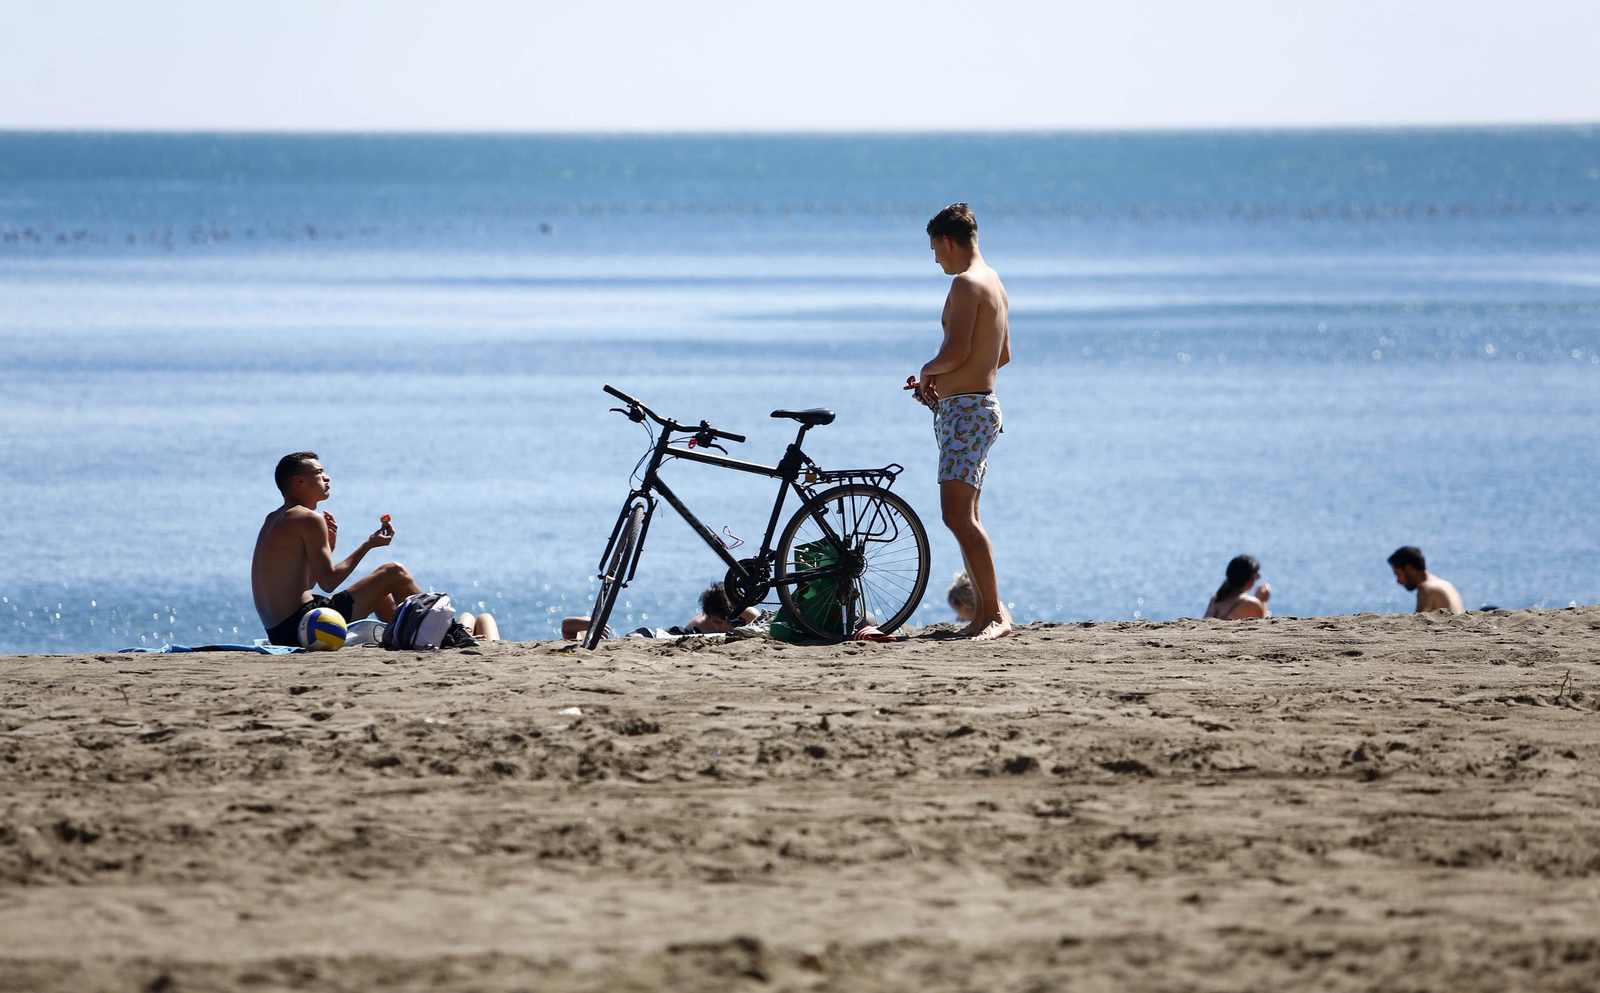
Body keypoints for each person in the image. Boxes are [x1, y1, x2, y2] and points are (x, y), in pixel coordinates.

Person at [251, 452, 499, 647]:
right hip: (306, 624)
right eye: (319, 472)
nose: (327, 478)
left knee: (380, 593)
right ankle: (449, 630)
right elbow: (328, 583)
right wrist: (368, 545)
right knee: (393, 571)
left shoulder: (275, 518)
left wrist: (331, 545)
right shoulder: (308, 518)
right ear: (299, 481)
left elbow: (306, 583)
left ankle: (411, 633)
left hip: (280, 632)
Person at [905, 203, 1012, 641]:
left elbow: (956, 352)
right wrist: (945, 384)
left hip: (968, 412)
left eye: (935, 249)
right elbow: (1000, 355)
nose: (935, 260)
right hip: (970, 407)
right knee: (966, 515)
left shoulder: (967, 284)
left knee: (957, 516)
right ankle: (987, 613)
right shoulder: (995, 282)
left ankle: (994, 617)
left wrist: (932, 370)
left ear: (948, 241)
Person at [562, 581, 760, 641]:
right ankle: (587, 623)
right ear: (708, 616)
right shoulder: (700, 623)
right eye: (718, 623)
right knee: (589, 639)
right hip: (649, 636)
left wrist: (737, 604)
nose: (725, 627)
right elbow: (566, 626)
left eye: (729, 621)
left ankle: (587, 624)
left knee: (591, 641)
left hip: (646, 636)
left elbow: (755, 616)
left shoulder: (734, 615)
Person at [1388, 546, 1464, 614]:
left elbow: (1419, 622)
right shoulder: (1446, 584)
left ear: (1409, 568)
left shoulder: (1427, 588)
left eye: (1398, 575)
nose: (1398, 581)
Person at [1204, 554, 1271, 619]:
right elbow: (1263, 626)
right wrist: (1263, 601)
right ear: (1250, 579)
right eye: (1256, 576)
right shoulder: (1251, 603)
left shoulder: (1216, 597)